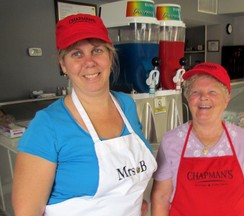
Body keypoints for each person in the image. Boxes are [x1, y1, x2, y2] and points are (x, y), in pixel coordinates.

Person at [12, 14, 157, 216]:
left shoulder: (126, 105)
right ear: (63, 65)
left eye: (97, 50)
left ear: (110, 56)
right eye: (76, 54)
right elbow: (27, 211)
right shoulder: (47, 125)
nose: (89, 62)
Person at [151, 62, 244, 216]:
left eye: (212, 92)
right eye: (195, 92)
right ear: (188, 98)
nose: (203, 98)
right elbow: (161, 197)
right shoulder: (171, 141)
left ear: (226, 99)